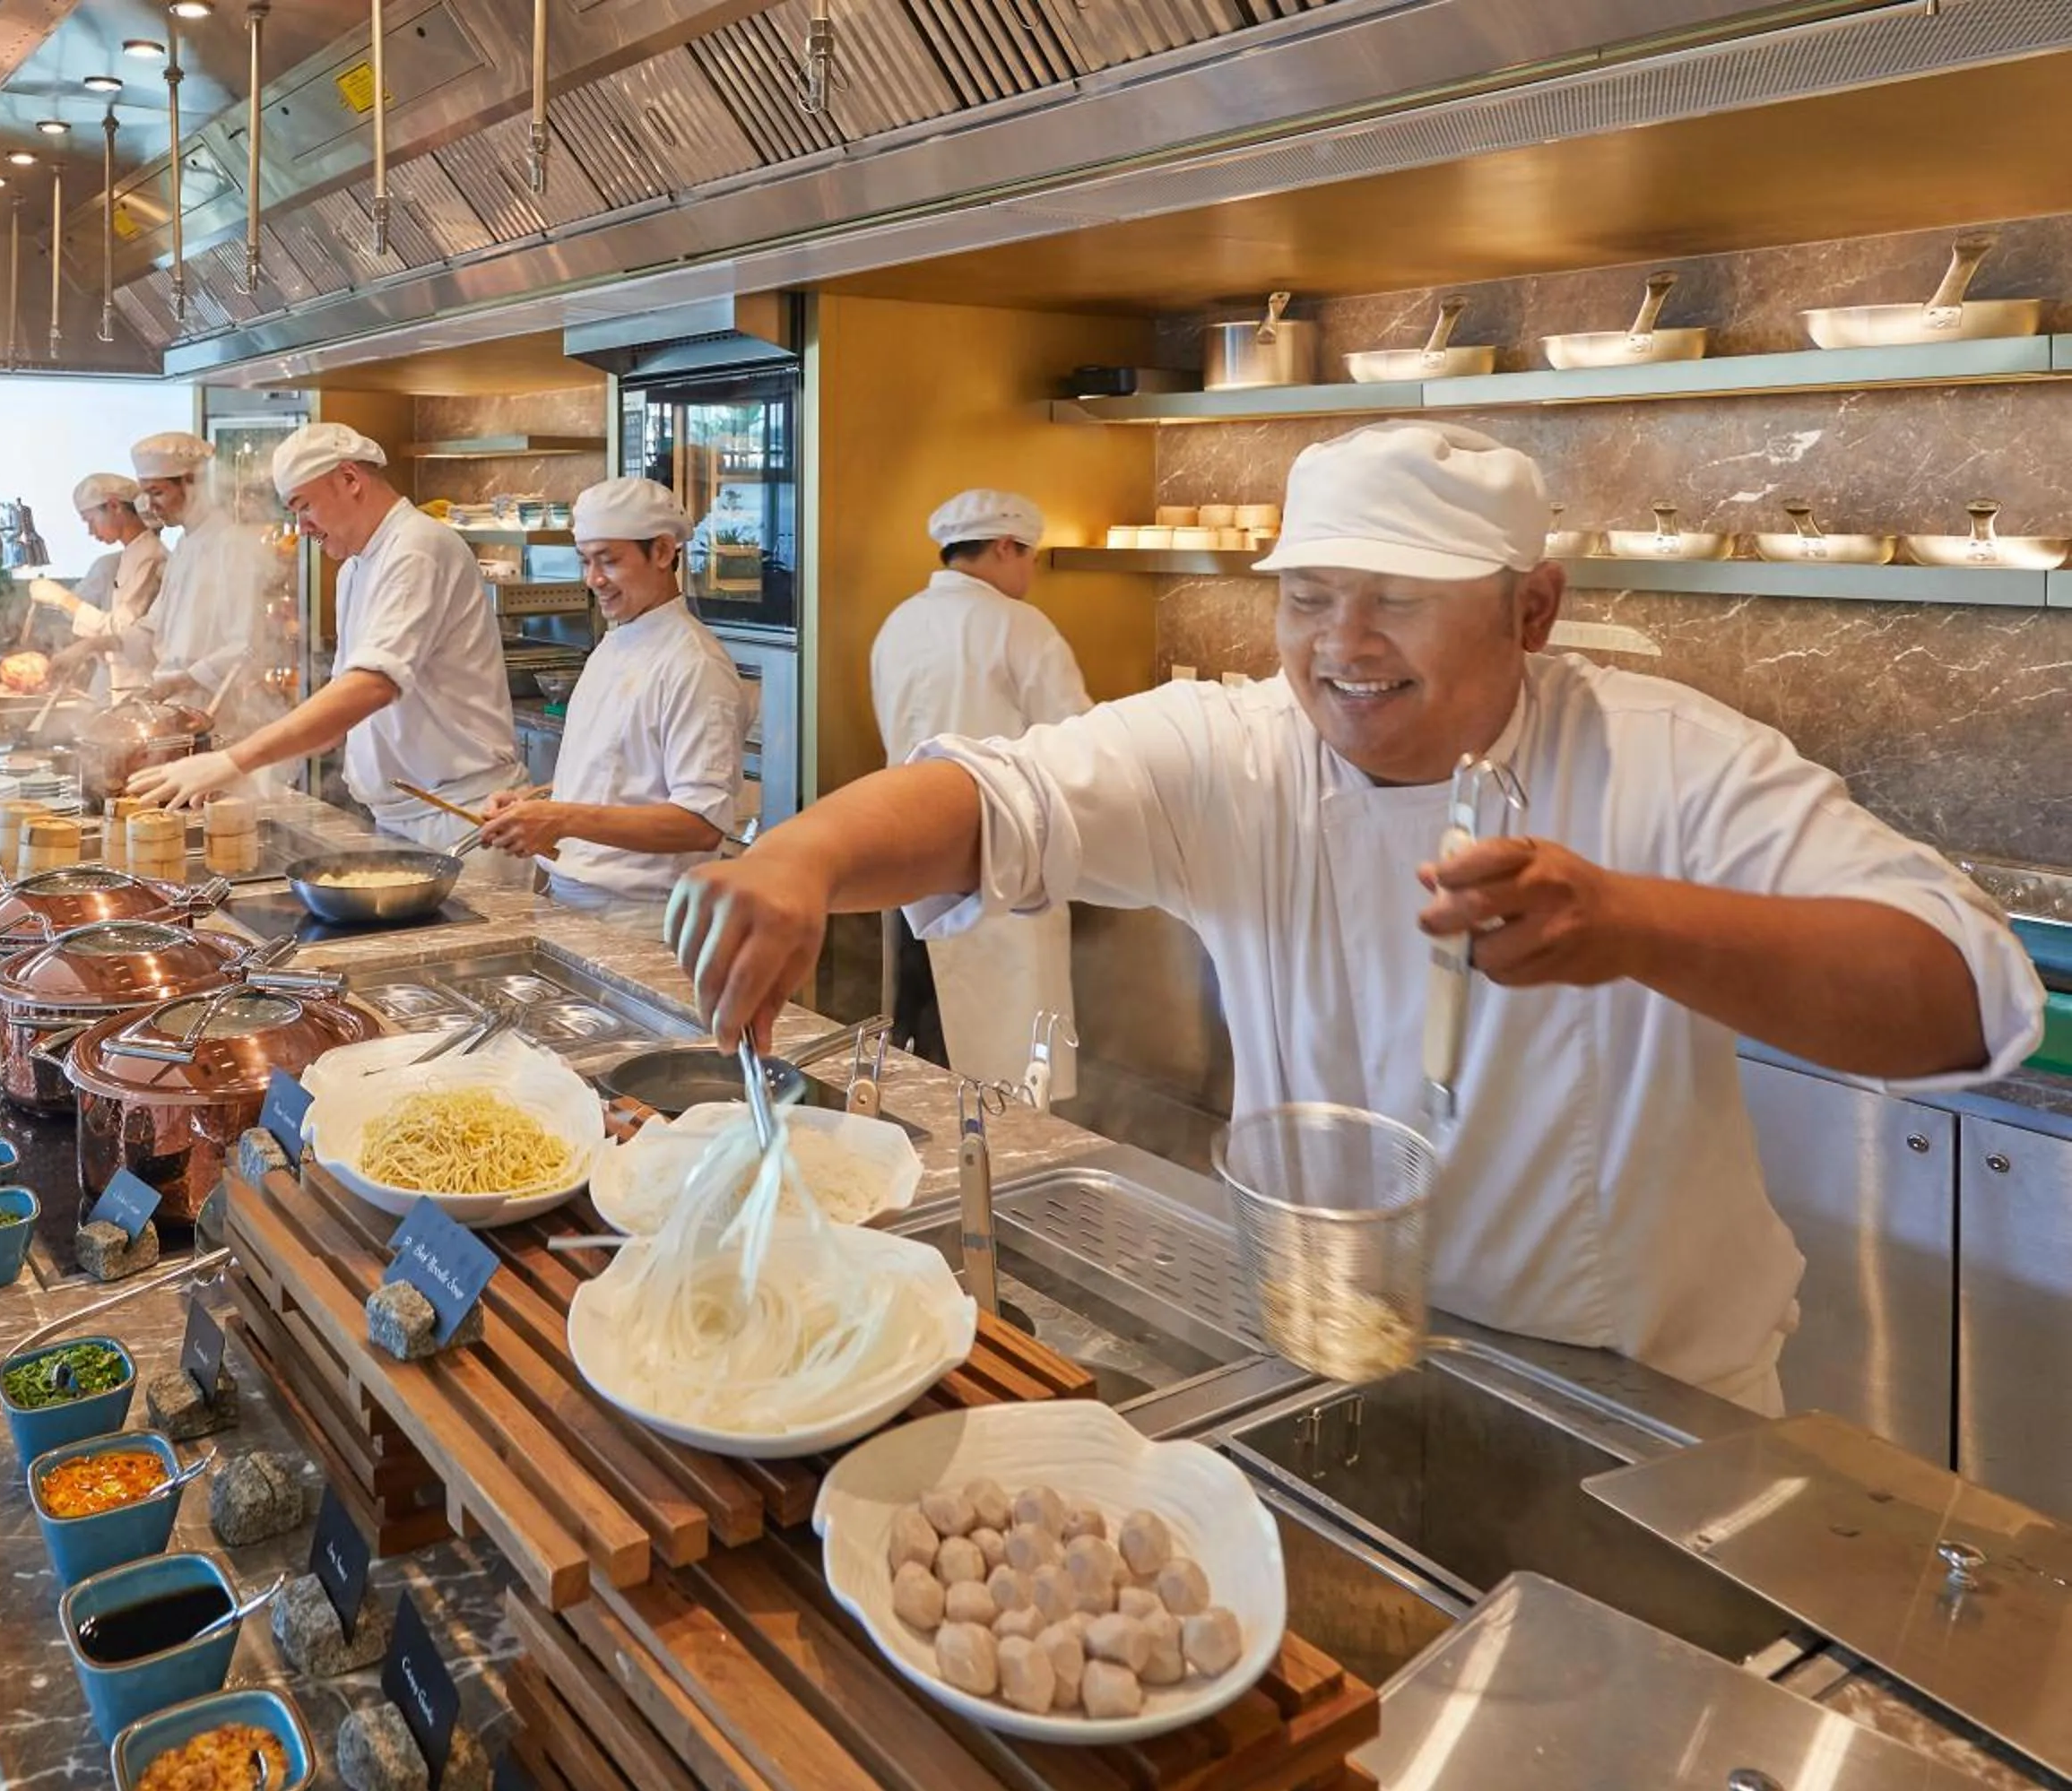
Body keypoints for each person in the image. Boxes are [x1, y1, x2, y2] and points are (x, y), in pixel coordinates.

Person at [664, 420, 2042, 1412]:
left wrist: (1638, 927)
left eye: (1398, 603)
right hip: (1327, 1348)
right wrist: (800, 858)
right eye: (1310, 598)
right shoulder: (1235, 749)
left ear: (1535, 610)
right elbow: (990, 794)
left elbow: (1967, 997)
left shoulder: (1671, 760)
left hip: (1645, 1411)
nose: (1343, 645)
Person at [128, 422, 521, 847]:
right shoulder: (356, 565)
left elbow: (371, 687)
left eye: (304, 506)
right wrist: (248, 773)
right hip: (401, 816)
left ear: (350, 479)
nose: (301, 527)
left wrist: (233, 761)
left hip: (459, 816)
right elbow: (340, 717)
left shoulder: (418, 547)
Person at [870, 490, 1092, 1097]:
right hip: (998, 874)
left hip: (907, 874)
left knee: (924, 1050)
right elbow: (1081, 746)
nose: (1029, 573)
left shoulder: (900, 622)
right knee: (1006, 1065)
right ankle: (1004, 1180)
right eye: (1029, 558)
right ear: (1003, 547)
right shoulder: (1019, 626)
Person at [476, 478, 750, 930]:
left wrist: (560, 818)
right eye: (585, 561)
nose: (593, 580)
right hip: (572, 905)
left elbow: (700, 823)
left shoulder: (695, 665)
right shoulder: (616, 641)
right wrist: (535, 803)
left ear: (662, 552)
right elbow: (621, 773)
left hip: (640, 920)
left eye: (609, 560)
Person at [126, 430, 274, 714]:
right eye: (145, 494)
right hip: (174, 707)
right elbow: (155, 624)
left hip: (214, 711)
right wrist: (95, 645)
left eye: (157, 492)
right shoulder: (185, 544)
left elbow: (245, 646)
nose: (148, 506)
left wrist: (181, 681)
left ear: (192, 483)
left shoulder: (232, 545)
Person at [30, 471, 167, 704]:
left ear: (114, 506)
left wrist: (62, 598)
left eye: (90, 521)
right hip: (111, 686)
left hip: (136, 686)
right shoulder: (122, 558)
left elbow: (120, 629)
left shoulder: (150, 556)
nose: (90, 532)